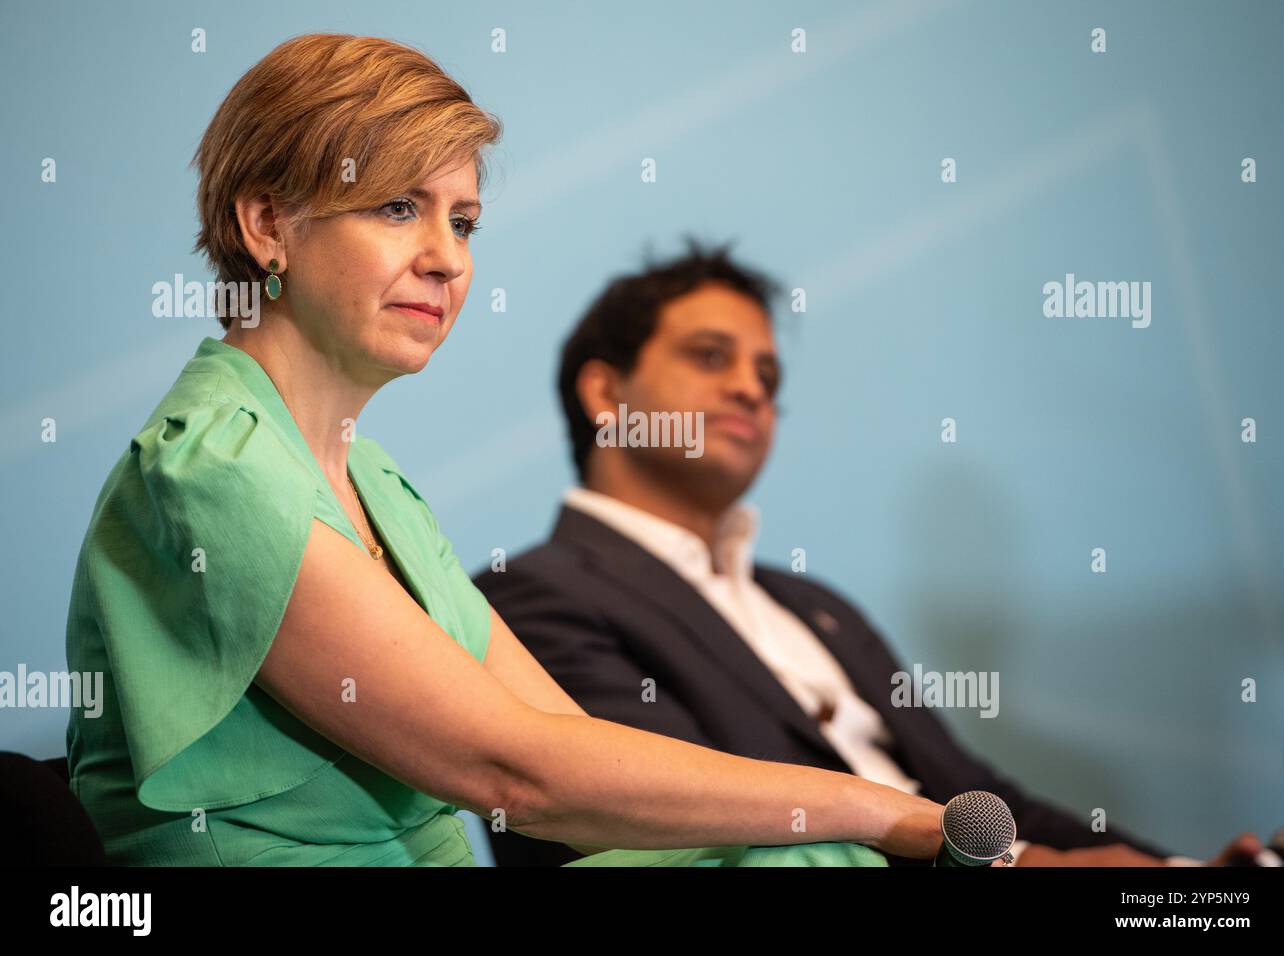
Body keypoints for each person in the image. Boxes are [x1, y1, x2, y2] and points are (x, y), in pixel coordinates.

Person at [63, 33, 947, 867]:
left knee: (806, 856)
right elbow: (517, 776)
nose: (446, 258)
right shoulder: (213, 469)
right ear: (267, 225)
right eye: (398, 207)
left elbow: (570, 744)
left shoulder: (372, 477)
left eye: (465, 222)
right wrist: (877, 806)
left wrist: (836, 829)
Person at [473, 239, 1264, 868]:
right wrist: (1019, 867)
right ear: (607, 396)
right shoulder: (531, 599)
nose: (752, 388)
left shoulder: (816, 606)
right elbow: (692, 828)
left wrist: (1183, 880)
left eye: (767, 372)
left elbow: (976, 791)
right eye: (711, 357)